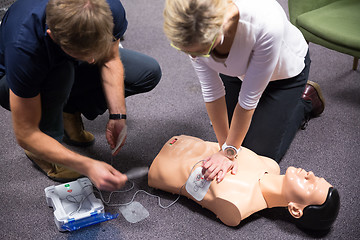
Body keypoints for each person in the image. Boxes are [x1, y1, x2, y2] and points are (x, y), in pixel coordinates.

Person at [0, 0, 161, 191]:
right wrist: (88, 166)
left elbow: (110, 58)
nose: (92, 59)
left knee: (147, 72)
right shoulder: (25, 47)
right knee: (61, 75)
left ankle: (68, 110)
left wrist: (118, 115)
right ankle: (44, 147)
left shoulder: (109, 9)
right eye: (83, 53)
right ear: (53, 36)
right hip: (11, 80)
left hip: (61, 57)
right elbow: (25, 133)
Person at [163, 0, 325, 183]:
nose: (193, 56)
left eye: (201, 50)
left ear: (221, 25)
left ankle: (305, 100)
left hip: (283, 77)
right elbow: (211, 91)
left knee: (258, 157)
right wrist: (226, 149)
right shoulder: (192, 25)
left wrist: (228, 153)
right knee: (236, 144)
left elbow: (248, 102)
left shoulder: (265, 24)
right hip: (235, 72)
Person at [148, 135, 340, 230]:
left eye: (311, 185)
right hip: (182, 140)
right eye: (317, 177)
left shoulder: (238, 206)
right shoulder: (270, 165)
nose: (311, 174)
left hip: (160, 166)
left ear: (295, 210)